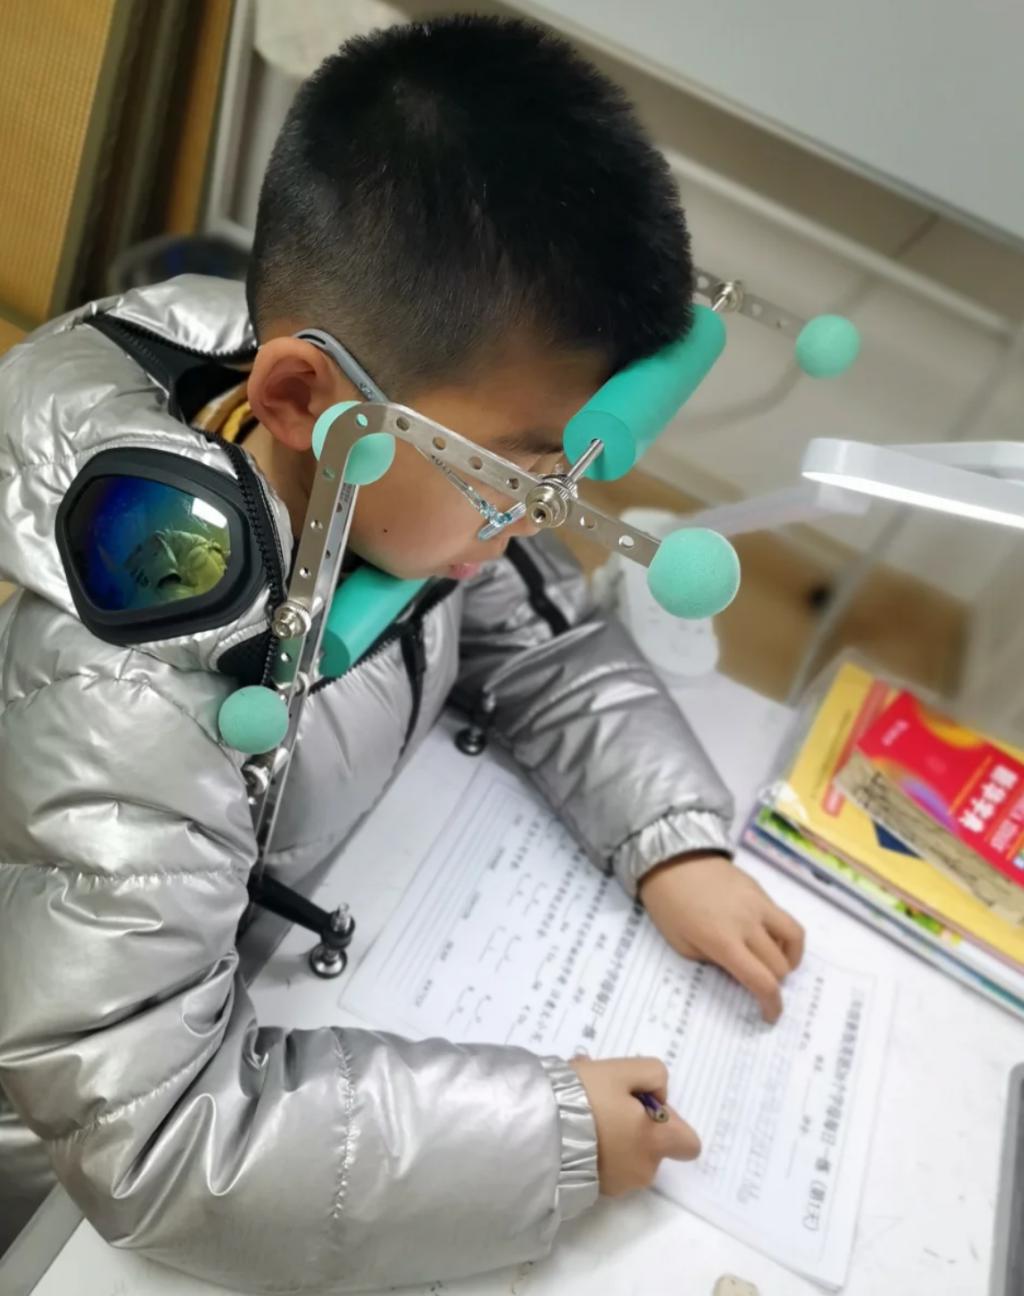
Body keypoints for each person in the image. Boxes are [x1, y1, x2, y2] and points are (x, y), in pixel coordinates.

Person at [0, 15, 804, 1288]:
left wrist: (670, 839)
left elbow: (536, 639)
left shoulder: (395, 484)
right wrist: (553, 1138)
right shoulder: (129, 701)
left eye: (564, 479)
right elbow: (154, 1141)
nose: (537, 521)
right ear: (300, 400)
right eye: (519, 476)